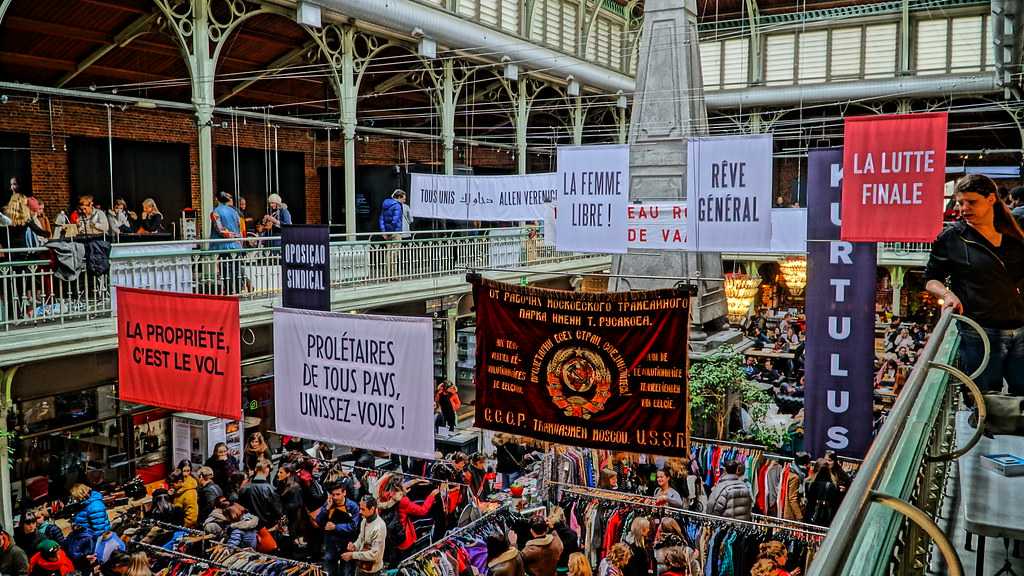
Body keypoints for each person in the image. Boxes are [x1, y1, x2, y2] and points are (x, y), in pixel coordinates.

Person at [925, 174, 1024, 396]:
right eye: (961, 202)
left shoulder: (1014, 232)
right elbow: (931, 278)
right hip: (980, 330)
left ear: (990, 199)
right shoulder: (952, 238)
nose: (963, 208)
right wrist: (946, 293)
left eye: (971, 202)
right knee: (985, 398)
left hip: (1020, 326)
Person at [377, 473, 438, 559]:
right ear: (398, 487)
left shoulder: (384, 496)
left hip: (390, 536)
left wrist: (415, 481)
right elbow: (422, 510)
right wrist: (431, 496)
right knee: (407, 557)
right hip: (404, 538)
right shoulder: (403, 501)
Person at [317, 481, 361, 576]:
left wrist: (335, 527)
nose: (335, 497)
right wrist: (326, 509)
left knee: (346, 572)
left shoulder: (353, 506)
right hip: (330, 544)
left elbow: (354, 526)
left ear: (344, 493)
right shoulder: (329, 504)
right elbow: (319, 520)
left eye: (338, 494)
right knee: (328, 572)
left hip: (346, 544)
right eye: (333, 495)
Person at [342, 495, 386, 576]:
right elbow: (361, 539)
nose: (360, 512)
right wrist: (354, 546)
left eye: (363, 509)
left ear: (372, 509)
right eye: (360, 508)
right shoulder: (364, 520)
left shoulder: (379, 527)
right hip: (361, 567)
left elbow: (374, 554)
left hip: (373, 572)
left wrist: (352, 555)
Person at [211, 192, 243, 294]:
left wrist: (230, 235)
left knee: (225, 270)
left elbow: (219, 229)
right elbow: (239, 226)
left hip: (224, 245)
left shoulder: (215, 212)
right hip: (237, 244)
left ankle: (228, 291)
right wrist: (236, 237)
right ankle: (238, 289)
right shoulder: (234, 211)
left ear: (217, 199)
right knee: (236, 268)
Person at [239, 459, 284, 528]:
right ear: (267, 470)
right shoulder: (270, 489)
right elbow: (278, 511)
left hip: (250, 525)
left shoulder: (244, 488)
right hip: (268, 527)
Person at [804, 458, 843, 526]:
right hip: (826, 518)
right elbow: (836, 503)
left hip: (810, 516)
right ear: (828, 470)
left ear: (815, 469)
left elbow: (808, 500)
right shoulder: (832, 486)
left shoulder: (808, 483)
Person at [782, 453, 810, 522]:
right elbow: (792, 498)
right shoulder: (796, 477)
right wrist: (799, 516)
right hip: (792, 515)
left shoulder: (789, 471)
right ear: (805, 464)